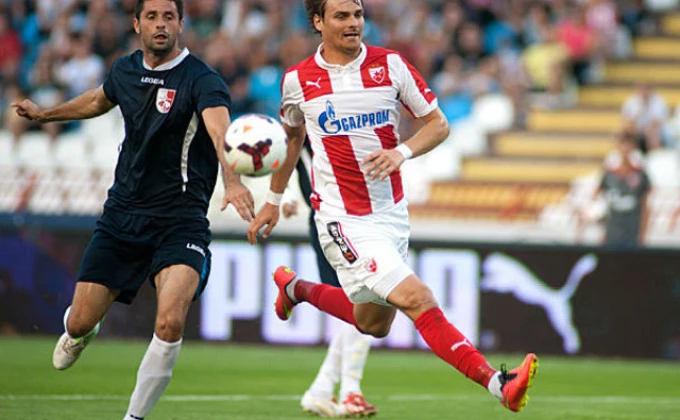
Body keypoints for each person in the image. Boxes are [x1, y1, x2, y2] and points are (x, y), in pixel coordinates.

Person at [248, 0, 538, 414]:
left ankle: (295, 289)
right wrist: (273, 201)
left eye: (357, 14)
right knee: (418, 297)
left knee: (373, 323)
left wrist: (401, 152)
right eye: (341, 16)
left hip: (391, 214)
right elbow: (292, 140)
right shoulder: (298, 80)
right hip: (341, 218)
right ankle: (498, 383)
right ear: (317, 21)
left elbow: (438, 123)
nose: (353, 23)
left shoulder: (391, 66)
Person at [11, 1, 255, 419]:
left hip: (181, 220)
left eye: (169, 17)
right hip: (122, 216)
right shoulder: (124, 70)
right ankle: (82, 329)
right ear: (136, 23)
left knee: (170, 322)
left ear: (181, 23)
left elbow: (220, 131)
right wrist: (46, 115)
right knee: (79, 322)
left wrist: (232, 182)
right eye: (153, 17)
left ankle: (134, 417)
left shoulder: (202, 79)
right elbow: (98, 100)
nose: (161, 24)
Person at [282, 140, 377, 417]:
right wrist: (284, 194)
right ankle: (349, 391)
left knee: (363, 303)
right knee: (364, 300)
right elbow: (287, 150)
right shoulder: (310, 122)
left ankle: (323, 389)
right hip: (333, 220)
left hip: (355, 216)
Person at [596, 130, 651, 247]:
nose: (625, 148)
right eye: (622, 144)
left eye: (628, 144)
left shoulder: (640, 174)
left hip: (632, 232)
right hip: (612, 232)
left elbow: (645, 206)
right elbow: (599, 202)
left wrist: (643, 234)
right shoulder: (609, 174)